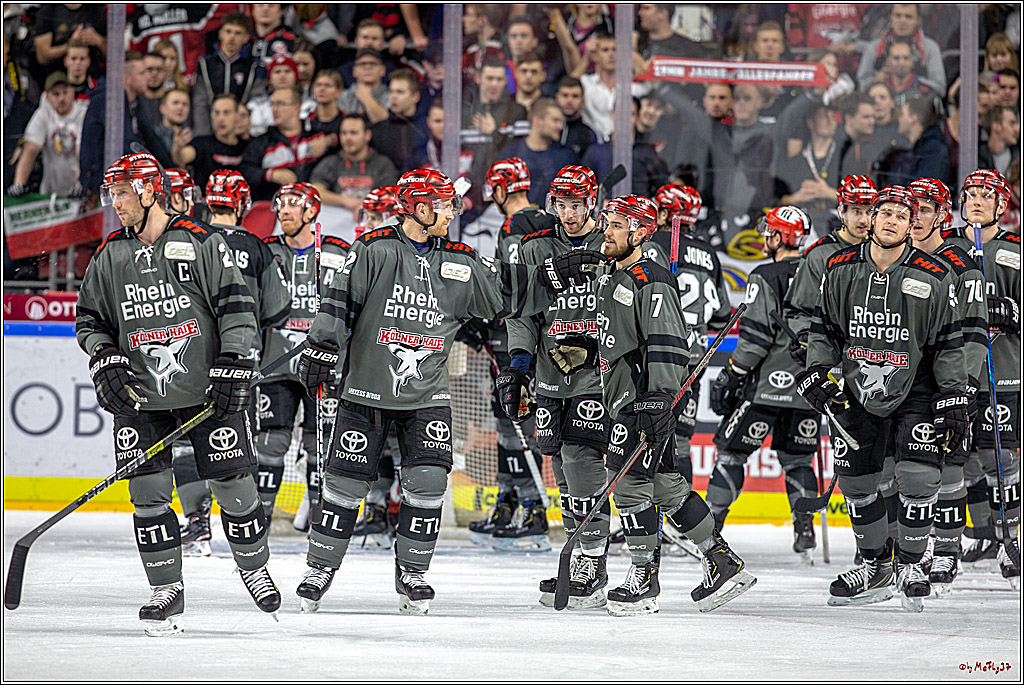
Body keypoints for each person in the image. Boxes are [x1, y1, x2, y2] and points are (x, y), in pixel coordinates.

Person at [293, 168, 604, 614]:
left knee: (428, 483)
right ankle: (319, 569)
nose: (452, 213)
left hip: (429, 397)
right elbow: (337, 298)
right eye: (443, 205)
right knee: (343, 486)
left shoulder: (461, 260)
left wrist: (553, 272)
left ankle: (413, 574)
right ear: (419, 209)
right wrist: (323, 345)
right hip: (365, 391)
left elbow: (507, 295)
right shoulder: (373, 248)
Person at [75, 152, 280, 635]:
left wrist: (234, 360)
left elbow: (238, 307)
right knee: (147, 494)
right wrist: (103, 357)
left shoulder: (202, 241)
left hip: (207, 391)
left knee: (233, 484)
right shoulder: (109, 255)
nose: (115, 203)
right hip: (139, 396)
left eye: (123, 193)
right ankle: (166, 588)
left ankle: (253, 565)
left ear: (149, 192)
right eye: (113, 194)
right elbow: (90, 320)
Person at [554, 194, 756, 614]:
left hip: (644, 400)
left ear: (640, 233)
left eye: (614, 225)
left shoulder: (652, 280)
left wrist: (660, 401)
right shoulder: (614, 275)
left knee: (627, 483)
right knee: (665, 483)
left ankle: (643, 577)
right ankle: (723, 562)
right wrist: (590, 353)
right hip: (630, 394)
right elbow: (629, 342)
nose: (605, 231)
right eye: (606, 222)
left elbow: (668, 346)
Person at [799, 185, 969, 612]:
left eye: (901, 214)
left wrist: (953, 394)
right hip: (858, 387)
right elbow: (824, 332)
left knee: (917, 476)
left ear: (912, 224)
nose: (892, 220)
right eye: (884, 212)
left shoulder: (934, 274)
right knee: (856, 482)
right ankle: (876, 565)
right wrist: (817, 372)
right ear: (871, 219)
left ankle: (911, 563)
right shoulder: (838, 270)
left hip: (919, 388)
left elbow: (949, 343)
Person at [500, 165, 612, 608]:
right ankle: (580, 552)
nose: (568, 213)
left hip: (597, 374)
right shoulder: (534, 247)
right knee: (561, 468)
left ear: (592, 202)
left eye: (576, 204)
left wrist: (602, 342)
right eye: (561, 205)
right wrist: (519, 365)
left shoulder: (612, 243)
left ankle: (593, 556)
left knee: (581, 458)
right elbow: (522, 312)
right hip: (550, 374)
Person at [168, 168, 291, 556]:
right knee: (237, 445)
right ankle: (246, 529)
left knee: (188, 443)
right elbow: (279, 309)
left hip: (190, 357)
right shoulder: (257, 246)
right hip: (239, 362)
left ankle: (197, 524)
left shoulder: (189, 239)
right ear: (240, 204)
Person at [707, 206, 821, 561]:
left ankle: (709, 528)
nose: (764, 238)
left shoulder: (765, 274)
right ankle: (805, 529)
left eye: (769, 231)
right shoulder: (822, 273)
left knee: (731, 453)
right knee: (798, 459)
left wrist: (733, 373)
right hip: (808, 386)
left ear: (780, 237)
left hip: (765, 386)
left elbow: (755, 338)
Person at [468, 157, 555, 552]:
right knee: (509, 416)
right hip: (547, 333)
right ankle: (509, 502)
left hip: (520, 337)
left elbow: (516, 288)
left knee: (512, 420)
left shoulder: (513, 228)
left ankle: (533, 508)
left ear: (502, 189)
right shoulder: (546, 219)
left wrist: (484, 316)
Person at [907, 178, 987, 595]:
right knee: (902, 469)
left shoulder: (961, 262)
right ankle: (909, 548)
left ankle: (948, 547)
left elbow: (974, 332)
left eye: (924, 209)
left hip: (950, 379)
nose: (916, 217)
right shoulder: (897, 259)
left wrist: (964, 387)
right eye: (911, 209)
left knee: (951, 465)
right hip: (905, 380)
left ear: (941, 213)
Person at [942, 170, 1021, 589]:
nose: (975, 200)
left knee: (1002, 459)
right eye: (969, 194)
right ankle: (983, 533)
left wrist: (1013, 313)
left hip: (1003, 369)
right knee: (962, 458)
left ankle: (1010, 539)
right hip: (955, 371)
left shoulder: (1015, 252)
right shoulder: (947, 246)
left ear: (1000, 204)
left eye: (985, 195)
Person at [255, 182, 351, 525]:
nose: (283, 212)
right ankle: (259, 521)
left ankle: (320, 519)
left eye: (292, 206)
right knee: (269, 443)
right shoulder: (265, 251)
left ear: (311, 211)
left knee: (319, 445)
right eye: (280, 206)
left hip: (322, 366)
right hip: (276, 365)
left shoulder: (339, 252)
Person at [644, 184, 731, 501]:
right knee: (680, 439)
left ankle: (644, 515)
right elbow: (722, 314)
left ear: (665, 213)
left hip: (654, 358)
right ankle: (682, 517)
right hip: (692, 363)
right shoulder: (708, 254)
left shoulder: (649, 243)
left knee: (645, 437)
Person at [784, 174, 877, 358]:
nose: (864, 220)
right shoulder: (819, 255)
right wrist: (804, 336)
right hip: (834, 358)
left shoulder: (885, 251)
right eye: (856, 211)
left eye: (869, 212)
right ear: (842, 211)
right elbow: (798, 310)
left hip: (875, 358)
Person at [310, 113, 399, 242]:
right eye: (344, 133)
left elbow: (389, 196)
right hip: (337, 229)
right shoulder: (332, 162)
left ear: (367, 135)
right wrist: (344, 201)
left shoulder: (382, 163)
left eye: (353, 133)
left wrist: (366, 205)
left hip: (371, 227)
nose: (347, 138)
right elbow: (316, 191)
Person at [7, 71, 86, 197]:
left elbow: (81, 153)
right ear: (47, 96)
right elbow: (30, 150)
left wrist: (80, 184)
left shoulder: (83, 114)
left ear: (72, 92)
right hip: (51, 192)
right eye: (56, 94)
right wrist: (19, 184)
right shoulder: (43, 115)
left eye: (65, 93)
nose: (61, 98)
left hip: (79, 191)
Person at [240, 85, 322, 202]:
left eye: (280, 104)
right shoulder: (261, 142)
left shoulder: (315, 136)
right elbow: (244, 172)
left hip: (313, 205)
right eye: (272, 104)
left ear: (297, 107)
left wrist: (330, 140)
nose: (274, 109)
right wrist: (270, 174)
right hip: (274, 207)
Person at [191, 12, 264, 138]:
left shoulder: (254, 67)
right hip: (211, 134)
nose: (231, 37)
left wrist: (246, 131)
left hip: (243, 135)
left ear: (246, 38)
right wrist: (204, 137)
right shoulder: (205, 64)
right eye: (228, 31)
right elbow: (200, 103)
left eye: (238, 33)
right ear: (220, 34)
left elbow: (256, 102)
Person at [498, 98, 579, 207]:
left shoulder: (567, 157)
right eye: (555, 120)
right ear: (537, 121)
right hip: (517, 221)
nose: (560, 126)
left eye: (561, 122)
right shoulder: (510, 154)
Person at [855, 4, 945, 95]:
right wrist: (878, 79)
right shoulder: (874, 47)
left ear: (918, 20)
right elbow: (861, 86)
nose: (902, 21)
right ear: (891, 18)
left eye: (908, 17)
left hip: (918, 103)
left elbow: (940, 87)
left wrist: (910, 80)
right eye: (898, 16)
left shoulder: (930, 48)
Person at [172, 93, 247, 192]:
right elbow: (181, 158)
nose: (220, 118)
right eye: (216, 113)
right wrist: (177, 147)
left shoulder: (249, 146)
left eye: (226, 112)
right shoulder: (202, 143)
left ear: (237, 115)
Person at [369, 68, 427, 173]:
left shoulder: (427, 126)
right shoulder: (379, 130)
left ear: (415, 96)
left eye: (400, 92)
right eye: (391, 91)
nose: (393, 97)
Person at [248, 54, 316, 139]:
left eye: (287, 71)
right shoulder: (256, 105)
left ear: (296, 76)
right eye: (277, 71)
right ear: (270, 78)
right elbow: (254, 132)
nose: (282, 75)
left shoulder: (310, 105)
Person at [893, 97, 952, 187]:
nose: (899, 119)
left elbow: (925, 193)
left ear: (913, 118)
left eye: (902, 115)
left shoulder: (934, 151)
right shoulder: (913, 148)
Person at [337, 48, 389, 125]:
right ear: (354, 71)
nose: (367, 67)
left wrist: (366, 98)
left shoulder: (391, 96)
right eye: (362, 64)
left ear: (383, 70)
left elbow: (386, 123)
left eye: (373, 63)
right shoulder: (343, 96)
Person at [555, 76, 598, 158]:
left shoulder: (588, 135)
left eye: (575, 96)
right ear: (557, 98)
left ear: (583, 101)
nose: (569, 101)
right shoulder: (548, 130)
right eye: (565, 95)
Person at [979, 107, 1019, 177]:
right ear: (996, 126)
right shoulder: (978, 156)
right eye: (1011, 123)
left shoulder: (1018, 156)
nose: (1017, 129)